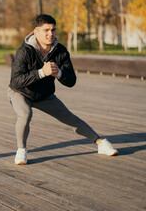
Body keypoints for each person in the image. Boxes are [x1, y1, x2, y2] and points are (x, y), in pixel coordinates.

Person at [7, 14, 118, 165]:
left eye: (53, 30)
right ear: (35, 32)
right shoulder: (24, 51)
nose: (50, 34)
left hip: (44, 95)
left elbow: (71, 81)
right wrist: (41, 73)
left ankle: (100, 143)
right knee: (25, 114)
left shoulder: (60, 51)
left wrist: (58, 73)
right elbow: (15, 81)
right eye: (46, 30)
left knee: (69, 117)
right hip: (20, 92)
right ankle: (21, 151)